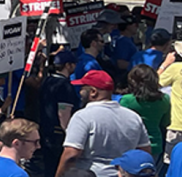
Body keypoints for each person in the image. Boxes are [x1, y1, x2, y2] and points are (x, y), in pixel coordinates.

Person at [58, 70, 151, 177]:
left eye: (82, 88)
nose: (79, 92)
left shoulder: (83, 116)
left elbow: (71, 154)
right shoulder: (133, 117)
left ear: (93, 92)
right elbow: (144, 151)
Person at [35, 49, 83, 177]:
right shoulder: (64, 86)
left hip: (46, 130)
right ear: (68, 65)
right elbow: (64, 113)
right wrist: (69, 133)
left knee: (49, 168)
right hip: (58, 134)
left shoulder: (47, 81)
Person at [116, 65, 170, 162]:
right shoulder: (165, 99)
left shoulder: (127, 100)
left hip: (132, 144)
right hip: (154, 145)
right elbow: (166, 122)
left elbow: (121, 124)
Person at [159, 39, 182, 164]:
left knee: (172, 162)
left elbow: (154, 83)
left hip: (177, 124)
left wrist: (164, 64)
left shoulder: (176, 68)